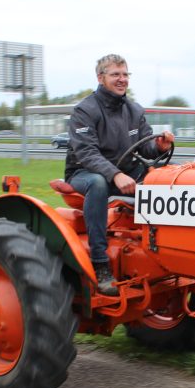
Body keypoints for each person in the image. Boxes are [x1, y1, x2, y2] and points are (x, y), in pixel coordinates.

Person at [65, 54, 174, 296]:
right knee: (98, 183)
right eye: (115, 74)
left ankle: (166, 250)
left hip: (125, 171)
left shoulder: (134, 110)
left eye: (125, 74)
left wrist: (159, 147)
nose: (122, 79)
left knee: (168, 176)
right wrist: (115, 174)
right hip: (85, 172)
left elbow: (144, 148)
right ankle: (100, 263)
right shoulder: (85, 110)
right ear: (100, 78)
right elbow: (87, 153)